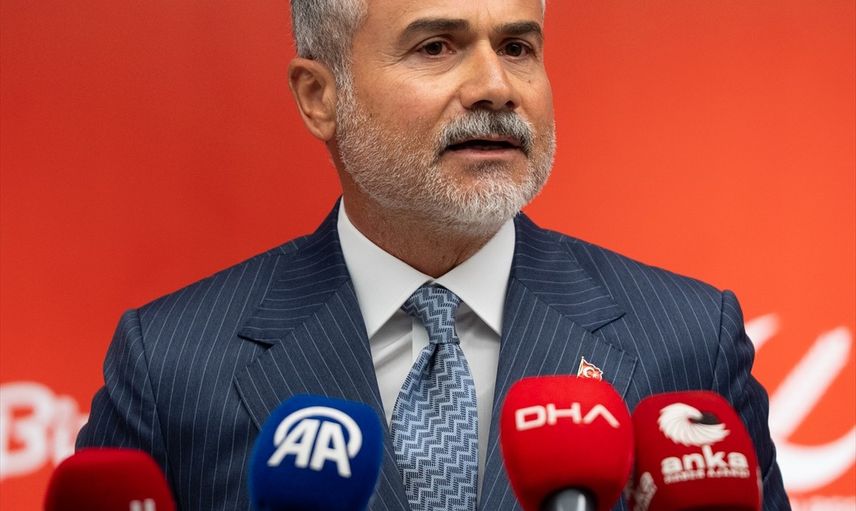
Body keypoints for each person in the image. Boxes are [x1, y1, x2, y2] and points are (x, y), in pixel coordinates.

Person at [77, 0, 791, 509]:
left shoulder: (687, 339)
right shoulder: (171, 362)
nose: (496, 88)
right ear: (320, 96)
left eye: (517, 48)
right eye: (436, 47)